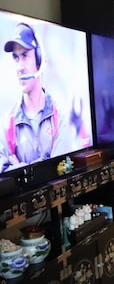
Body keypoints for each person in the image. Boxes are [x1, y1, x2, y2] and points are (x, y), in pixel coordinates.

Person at [0, 22, 71, 173]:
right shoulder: (7, 123)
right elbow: (5, 177)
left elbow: (61, 171)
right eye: (15, 57)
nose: (19, 67)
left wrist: (20, 167)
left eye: (25, 56)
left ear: (39, 60)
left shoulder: (59, 115)